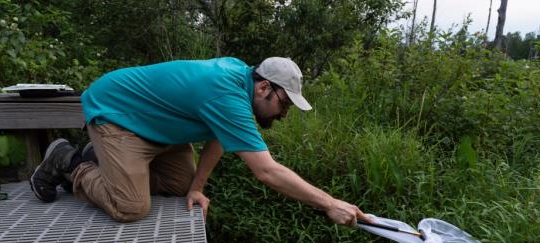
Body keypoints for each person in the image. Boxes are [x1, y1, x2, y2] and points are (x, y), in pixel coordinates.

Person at [29, 57, 369, 226]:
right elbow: (266, 172)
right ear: (264, 88)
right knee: (131, 207)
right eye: (284, 104)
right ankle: (69, 162)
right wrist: (328, 203)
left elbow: (219, 136)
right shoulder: (226, 93)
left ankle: (105, 162)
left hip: (157, 127)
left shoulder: (241, 79)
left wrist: (197, 187)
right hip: (117, 115)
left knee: (180, 184)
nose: (283, 114)